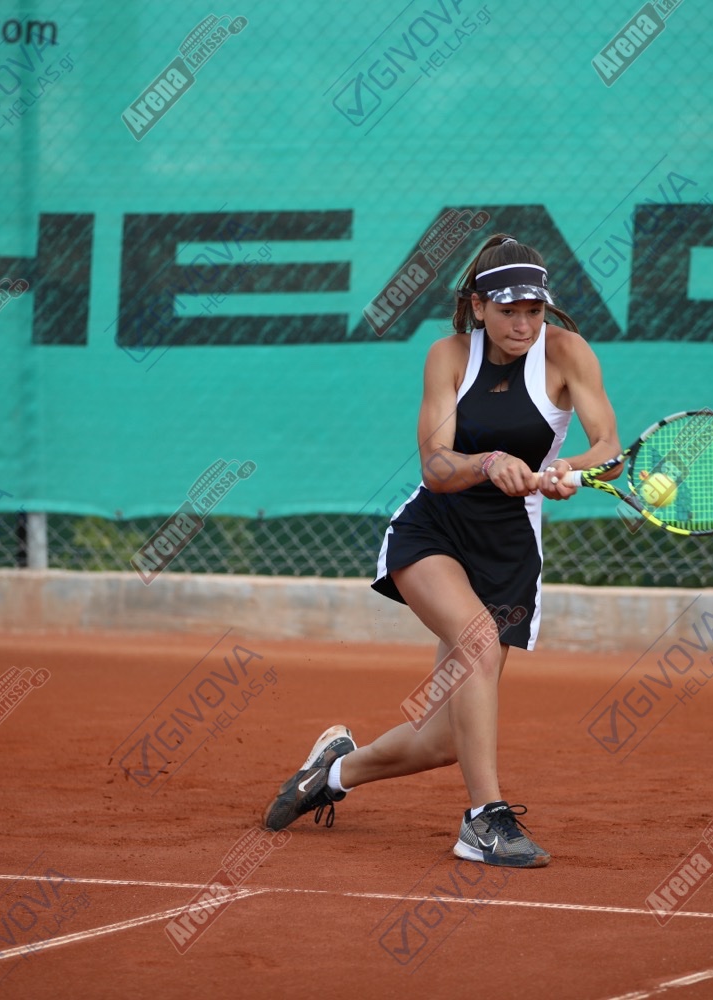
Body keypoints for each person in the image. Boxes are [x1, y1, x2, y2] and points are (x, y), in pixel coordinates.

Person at [262, 235, 620, 868]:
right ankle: (484, 822)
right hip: (435, 532)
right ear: (478, 307)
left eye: (533, 310)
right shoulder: (448, 356)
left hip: (510, 551)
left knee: (446, 740)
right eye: (508, 311)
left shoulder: (568, 353)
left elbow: (609, 450)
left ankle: (333, 772)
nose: (523, 324)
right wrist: (488, 462)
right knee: (476, 639)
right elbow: (435, 465)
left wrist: (572, 469)